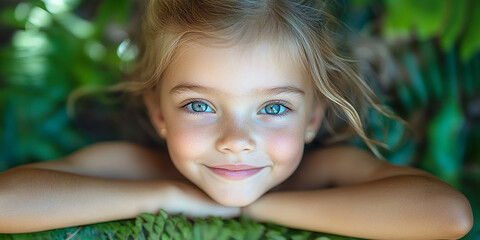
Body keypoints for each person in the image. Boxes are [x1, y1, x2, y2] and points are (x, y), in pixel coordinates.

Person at [0, 0, 473, 239]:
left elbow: (448, 215)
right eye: (200, 106)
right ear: (158, 113)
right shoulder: (133, 164)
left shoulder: (325, 173)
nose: (236, 140)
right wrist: (168, 194)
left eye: (273, 108)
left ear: (313, 118)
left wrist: (250, 207)